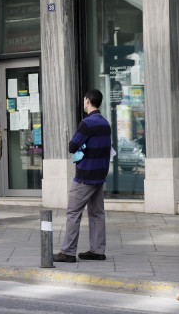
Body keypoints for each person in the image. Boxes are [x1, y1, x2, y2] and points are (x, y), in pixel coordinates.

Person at [53, 89, 112, 263]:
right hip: (100, 174)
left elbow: (72, 146)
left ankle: (68, 252)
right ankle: (98, 250)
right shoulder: (105, 123)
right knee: (97, 213)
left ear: (87, 100)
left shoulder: (87, 123)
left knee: (73, 212)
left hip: (86, 175)